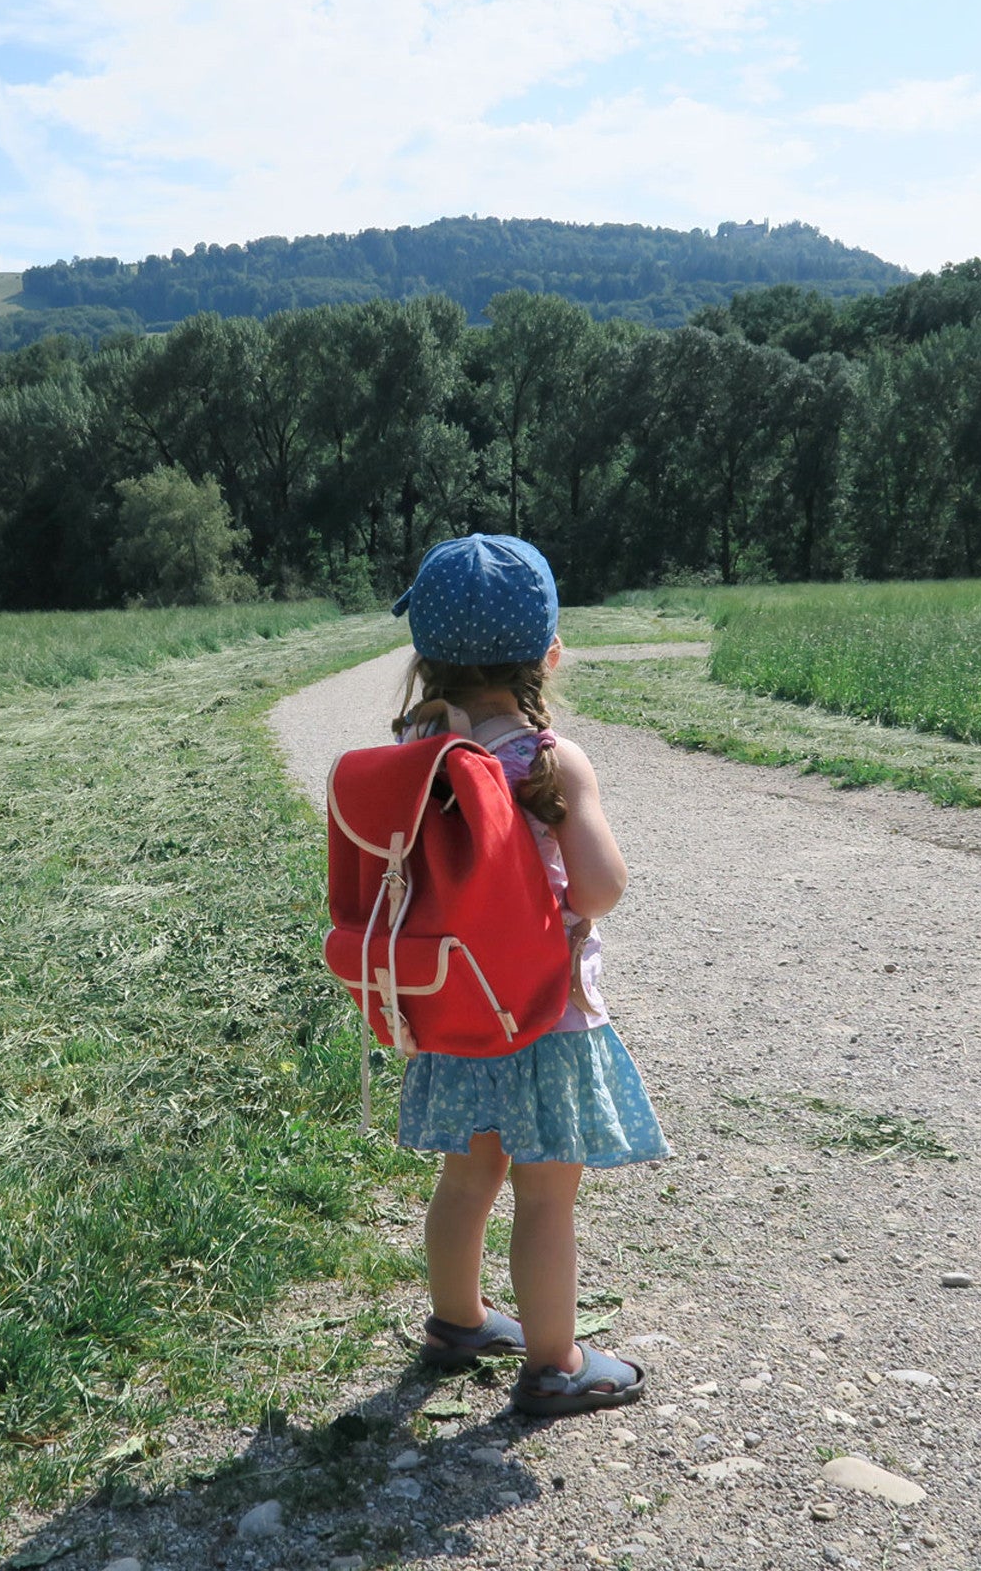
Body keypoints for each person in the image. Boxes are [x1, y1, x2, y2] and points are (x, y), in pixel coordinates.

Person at [387, 533, 668, 1417]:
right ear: (548, 651)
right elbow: (601, 890)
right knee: (546, 1194)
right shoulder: (550, 761)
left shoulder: (411, 760)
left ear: (424, 657)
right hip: (546, 1020)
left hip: (457, 1014)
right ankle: (553, 1362)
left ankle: (459, 1322)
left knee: (466, 1180)